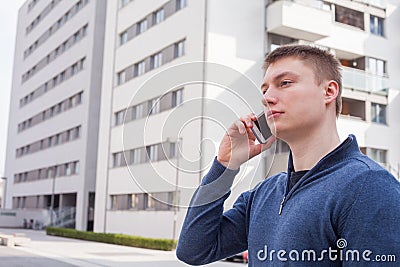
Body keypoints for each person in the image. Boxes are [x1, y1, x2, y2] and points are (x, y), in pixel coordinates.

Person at [176, 45, 400, 266]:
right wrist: (225, 166)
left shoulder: (369, 186)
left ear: (329, 92)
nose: (267, 98)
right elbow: (194, 250)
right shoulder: (263, 194)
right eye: (264, 90)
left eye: (284, 83)